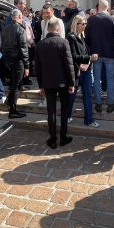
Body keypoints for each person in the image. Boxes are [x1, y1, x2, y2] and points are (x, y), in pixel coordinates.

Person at [35, 20, 74, 149]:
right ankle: (63, 137)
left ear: (48, 30)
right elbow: (69, 65)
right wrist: (72, 82)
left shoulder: (40, 45)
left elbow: (38, 68)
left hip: (47, 82)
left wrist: (40, 85)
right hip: (62, 82)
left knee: (50, 111)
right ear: (57, 30)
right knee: (64, 109)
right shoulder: (63, 42)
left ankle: (52, 138)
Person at [86, 0, 114, 114]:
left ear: (98, 7)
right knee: (110, 79)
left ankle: (99, 103)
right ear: (108, 8)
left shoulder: (91, 19)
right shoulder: (112, 19)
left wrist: (89, 52)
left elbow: (87, 37)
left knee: (96, 79)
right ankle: (110, 103)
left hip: (96, 54)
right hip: (109, 53)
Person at [66, 15, 99, 127]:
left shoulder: (83, 37)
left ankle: (89, 119)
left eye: (85, 23)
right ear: (76, 24)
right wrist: (89, 58)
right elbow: (73, 56)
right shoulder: (71, 37)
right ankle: (67, 116)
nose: (85, 26)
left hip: (86, 69)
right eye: (83, 24)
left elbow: (83, 53)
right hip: (76, 70)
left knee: (88, 94)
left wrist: (89, 58)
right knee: (72, 95)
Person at [1, 9, 30, 119]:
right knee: (16, 85)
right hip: (17, 60)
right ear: (19, 17)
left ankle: (9, 102)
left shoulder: (6, 28)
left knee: (13, 83)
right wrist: (26, 65)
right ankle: (12, 110)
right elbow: (24, 48)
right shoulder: (20, 29)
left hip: (8, 59)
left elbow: (2, 45)